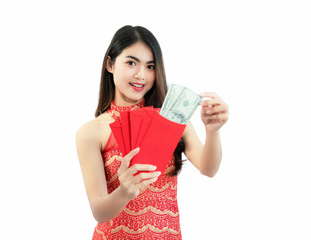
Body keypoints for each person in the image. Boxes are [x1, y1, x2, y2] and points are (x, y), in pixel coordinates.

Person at [76, 25, 229, 239]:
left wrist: (213, 131)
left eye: (150, 66)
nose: (141, 75)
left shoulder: (173, 119)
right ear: (110, 64)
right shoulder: (91, 133)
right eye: (131, 63)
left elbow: (208, 168)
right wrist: (124, 192)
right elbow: (99, 212)